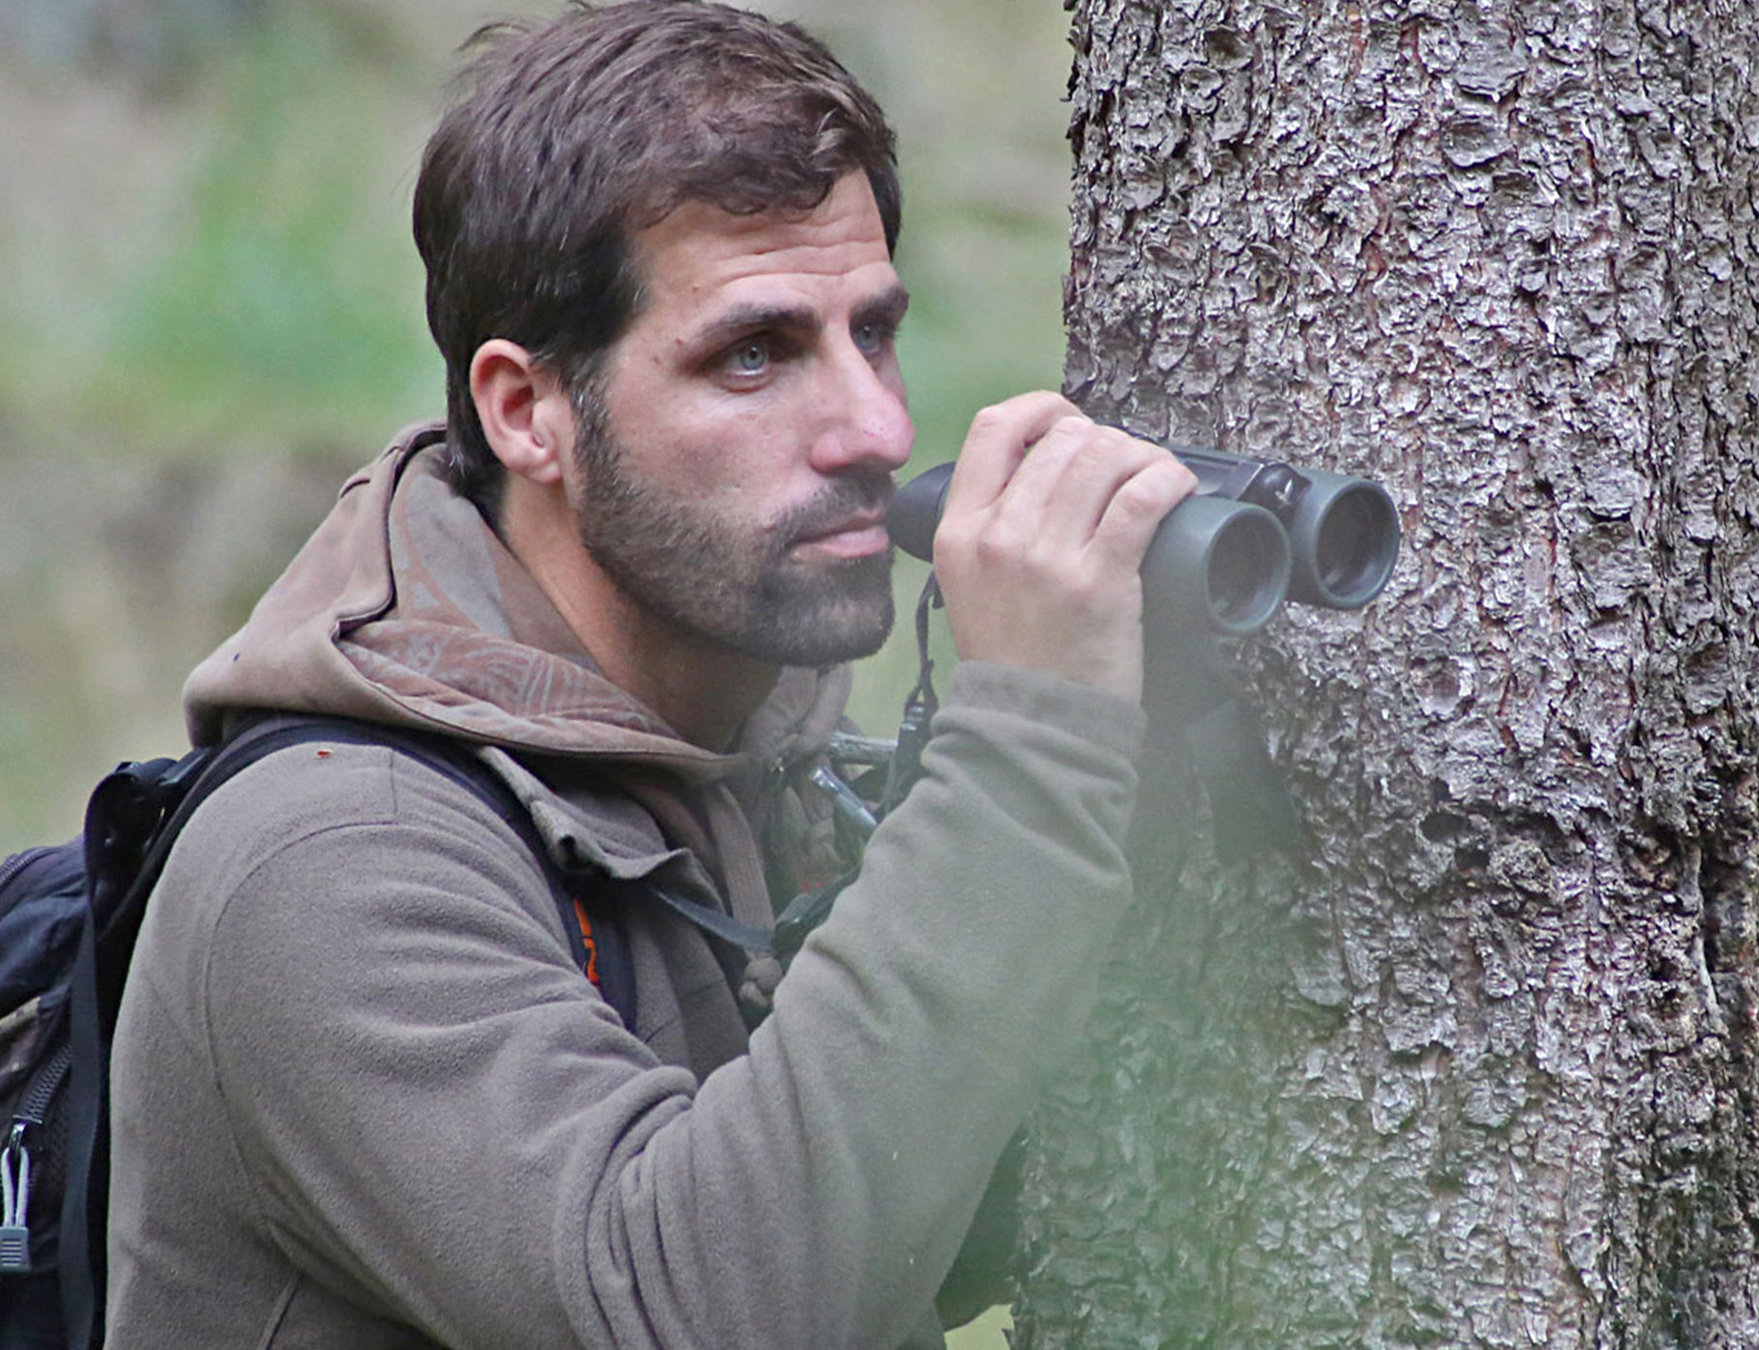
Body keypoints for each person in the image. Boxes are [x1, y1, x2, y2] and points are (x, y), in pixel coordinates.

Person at [104, 3, 1195, 1346]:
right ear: (527, 411)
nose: (876, 425)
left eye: (876, 331)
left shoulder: (764, 775)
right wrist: (1033, 744)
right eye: (756, 353)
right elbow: (701, 1306)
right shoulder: (327, 860)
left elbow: (932, 1197)